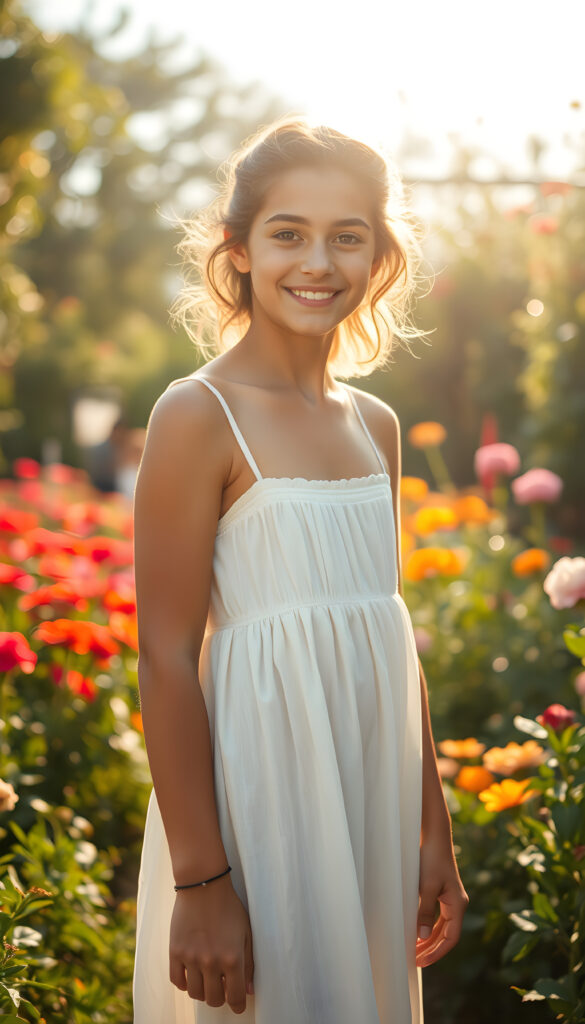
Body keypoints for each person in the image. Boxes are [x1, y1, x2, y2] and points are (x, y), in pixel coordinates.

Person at [132, 116, 469, 1024]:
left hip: (372, 793)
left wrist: (432, 832)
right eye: (288, 234)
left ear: (378, 260)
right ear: (238, 250)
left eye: (346, 237)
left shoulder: (376, 425)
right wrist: (202, 881)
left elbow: (388, 634)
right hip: (260, 801)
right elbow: (164, 657)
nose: (317, 262)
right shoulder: (197, 415)